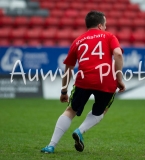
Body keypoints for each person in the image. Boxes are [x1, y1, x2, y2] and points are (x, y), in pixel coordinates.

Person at [41, 11, 125, 153]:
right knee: (101, 111)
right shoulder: (109, 36)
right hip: (106, 81)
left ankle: (51, 146)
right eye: (105, 25)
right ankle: (80, 130)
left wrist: (63, 91)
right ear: (100, 25)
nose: (105, 27)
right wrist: (119, 79)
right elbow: (118, 54)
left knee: (70, 111)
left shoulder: (78, 41)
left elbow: (68, 68)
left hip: (84, 80)